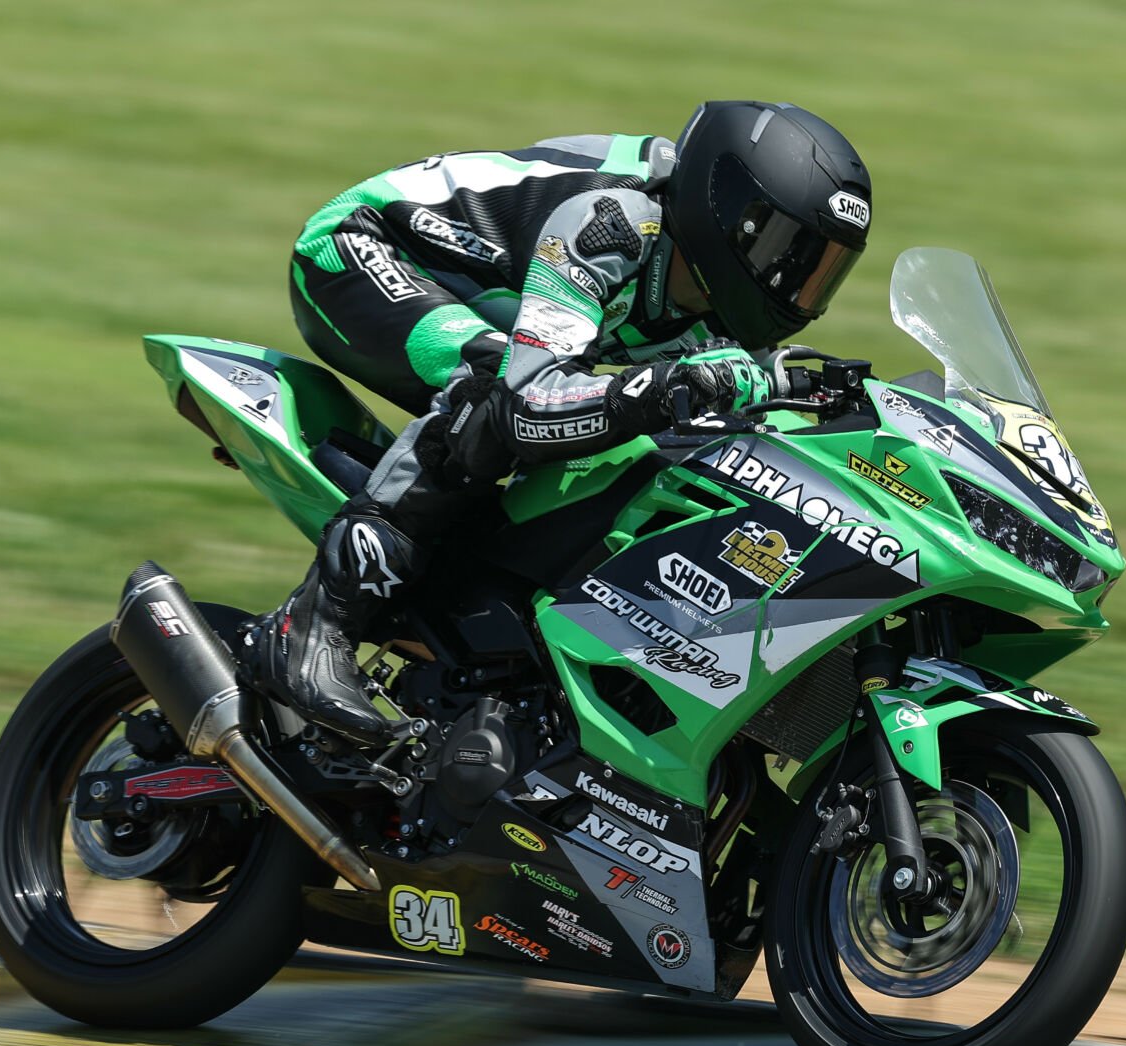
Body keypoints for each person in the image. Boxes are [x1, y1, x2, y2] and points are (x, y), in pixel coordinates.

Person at [243, 101, 872, 742]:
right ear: (727, 214)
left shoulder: (717, 298)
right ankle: (316, 625)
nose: (796, 289)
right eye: (785, 255)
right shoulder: (614, 221)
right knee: (490, 399)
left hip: (500, 304)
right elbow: (528, 404)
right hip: (363, 249)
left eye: (820, 271)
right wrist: (657, 388)